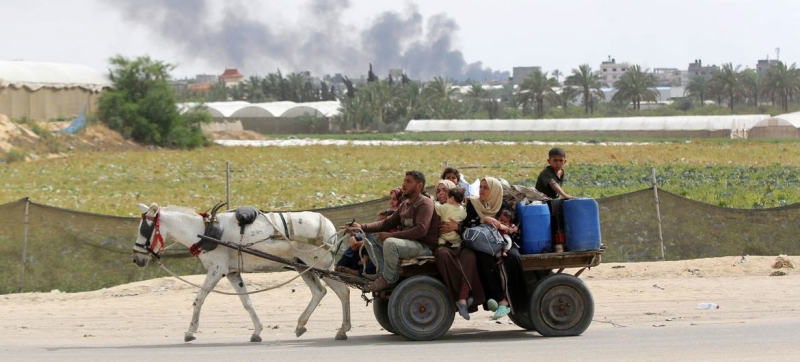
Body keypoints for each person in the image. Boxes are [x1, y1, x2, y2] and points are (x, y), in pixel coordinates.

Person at [345, 171, 440, 292]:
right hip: (409, 243)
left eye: (408, 181)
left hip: (423, 246)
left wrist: (392, 235)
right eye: (404, 181)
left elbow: (421, 230)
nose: (403, 185)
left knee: (390, 243)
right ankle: (382, 273)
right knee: (368, 236)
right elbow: (386, 223)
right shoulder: (405, 204)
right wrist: (360, 227)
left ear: (419, 186)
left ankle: (389, 278)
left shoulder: (425, 203)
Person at [462, 177, 528, 320]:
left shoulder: (502, 204)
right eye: (481, 187)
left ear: (494, 191)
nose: (482, 190)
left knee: (513, 258)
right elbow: (466, 226)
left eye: (486, 188)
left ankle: (519, 304)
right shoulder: (473, 203)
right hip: (482, 243)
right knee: (484, 259)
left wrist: (505, 235)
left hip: (503, 240)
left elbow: (513, 227)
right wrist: (483, 219)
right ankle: (498, 299)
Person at [433, 179, 485, 320]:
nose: (441, 193)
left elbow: (470, 227)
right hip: (444, 246)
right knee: (442, 255)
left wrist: (458, 227)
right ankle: (458, 297)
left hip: (460, 245)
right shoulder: (436, 208)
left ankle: (464, 297)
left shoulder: (464, 209)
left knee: (470, 257)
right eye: (438, 190)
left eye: (445, 190)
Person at [336, 187, 402, 277]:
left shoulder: (401, 215)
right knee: (355, 247)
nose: (390, 202)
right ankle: (341, 267)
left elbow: (382, 231)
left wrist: (364, 241)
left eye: (394, 199)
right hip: (378, 242)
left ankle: (377, 274)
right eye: (390, 199)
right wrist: (353, 234)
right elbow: (376, 227)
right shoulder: (387, 213)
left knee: (370, 247)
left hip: (391, 245)